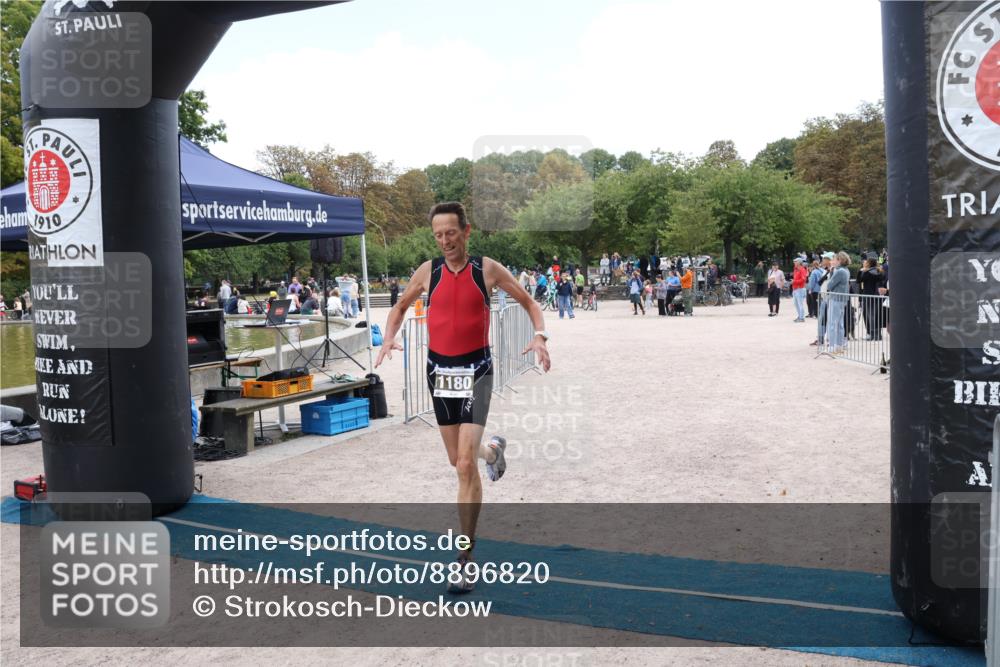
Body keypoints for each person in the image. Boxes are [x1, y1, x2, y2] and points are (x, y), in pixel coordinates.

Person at [375, 201, 550, 594]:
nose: (444, 241)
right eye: (438, 235)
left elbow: (529, 302)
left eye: (451, 233)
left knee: (464, 466)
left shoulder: (486, 270)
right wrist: (389, 337)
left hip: (477, 371)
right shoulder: (428, 272)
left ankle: (465, 561)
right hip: (439, 372)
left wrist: (540, 335)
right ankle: (494, 451)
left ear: (466, 232)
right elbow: (399, 307)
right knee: (458, 459)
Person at [825, 252, 851, 353]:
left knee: (832, 323)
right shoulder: (846, 270)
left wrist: (832, 272)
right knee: (840, 323)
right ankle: (839, 345)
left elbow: (829, 285)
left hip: (836, 299)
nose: (832, 261)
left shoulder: (839, 271)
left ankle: (832, 346)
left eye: (834, 259)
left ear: (839, 260)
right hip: (842, 299)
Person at [857, 254, 885, 340]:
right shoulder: (880, 272)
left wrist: (861, 271)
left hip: (868, 295)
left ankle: (871, 333)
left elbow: (858, 280)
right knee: (877, 314)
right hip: (878, 295)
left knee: (869, 315)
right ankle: (878, 334)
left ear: (868, 263)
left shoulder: (867, 273)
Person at [791, 257, 808, 322]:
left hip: (800, 289)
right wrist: (794, 281)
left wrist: (794, 281)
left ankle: (801, 318)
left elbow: (803, 280)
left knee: (800, 304)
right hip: (795, 289)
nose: (794, 262)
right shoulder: (796, 269)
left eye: (795, 261)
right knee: (796, 304)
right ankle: (800, 316)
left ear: (799, 262)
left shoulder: (802, 269)